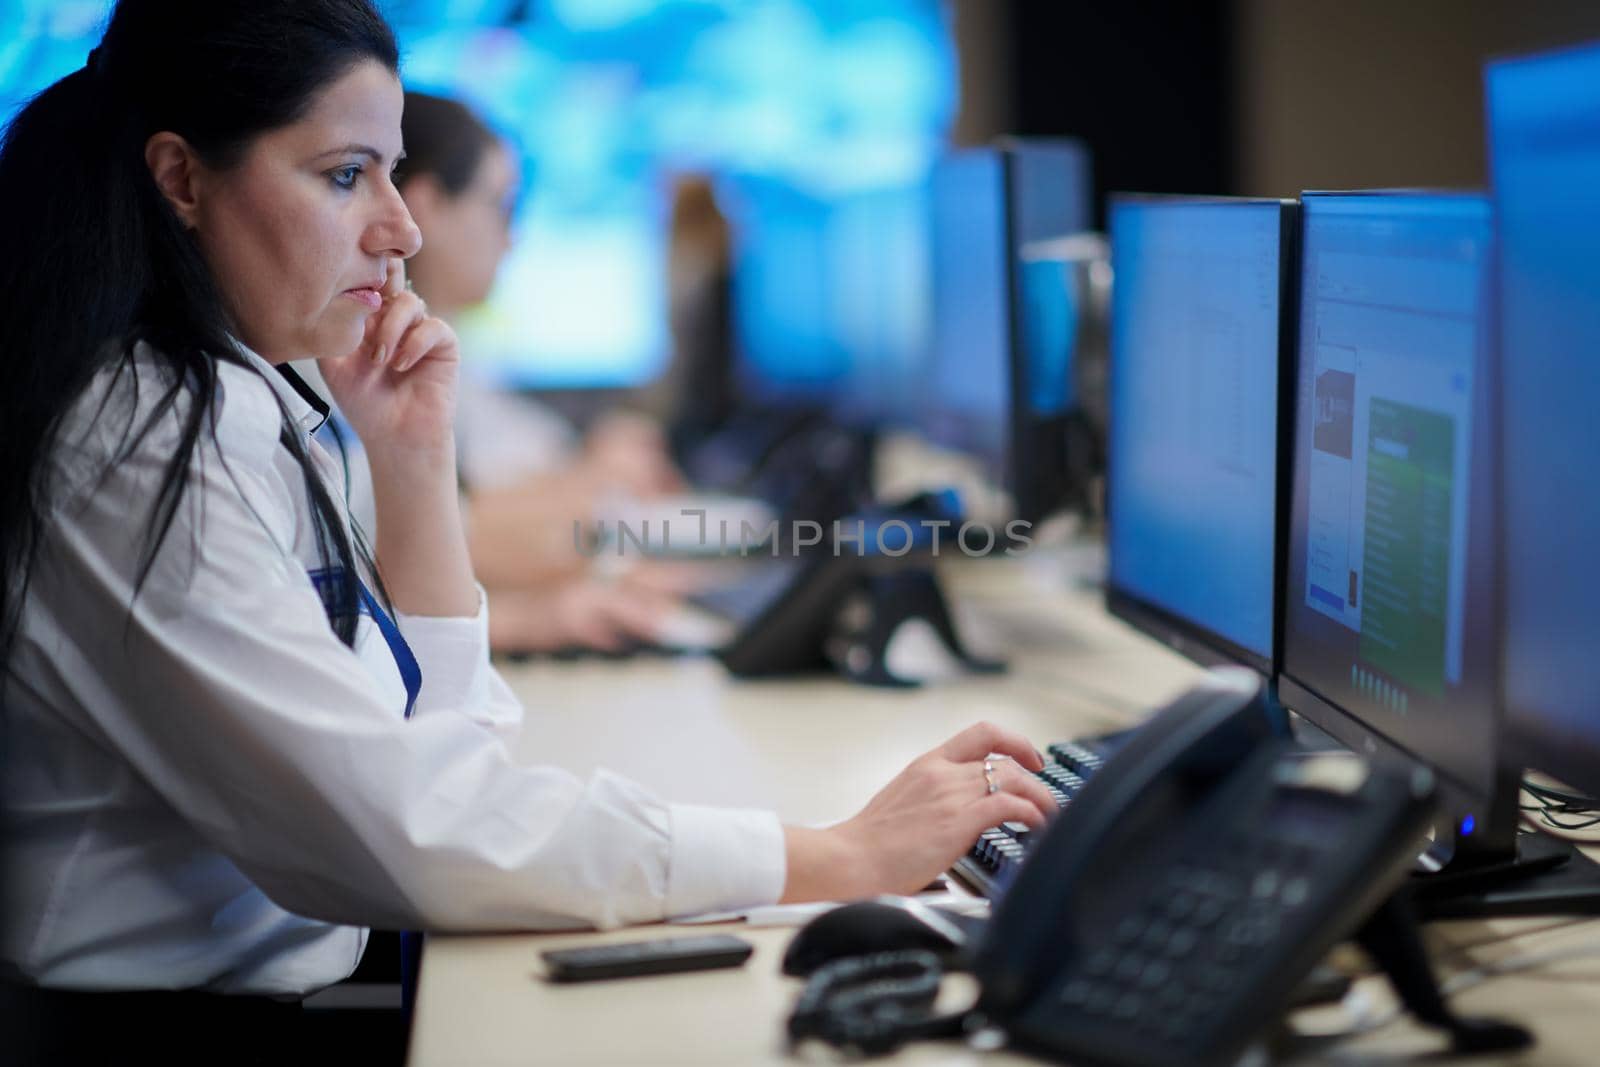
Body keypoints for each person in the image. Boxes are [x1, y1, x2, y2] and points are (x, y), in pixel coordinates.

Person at [0, 1, 1055, 1059]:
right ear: (181, 179)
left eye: (391, 169)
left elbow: (440, 755)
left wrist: (413, 464)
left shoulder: (253, 400)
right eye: (342, 174)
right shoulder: (141, 437)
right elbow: (418, 834)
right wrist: (835, 854)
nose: (398, 225)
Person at [323, 89, 695, 652]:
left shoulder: (429, 356)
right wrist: (544, 606)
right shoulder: (333, 367)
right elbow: (413, 550)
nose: (513, 236)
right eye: (502, 206)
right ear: (426, 207)